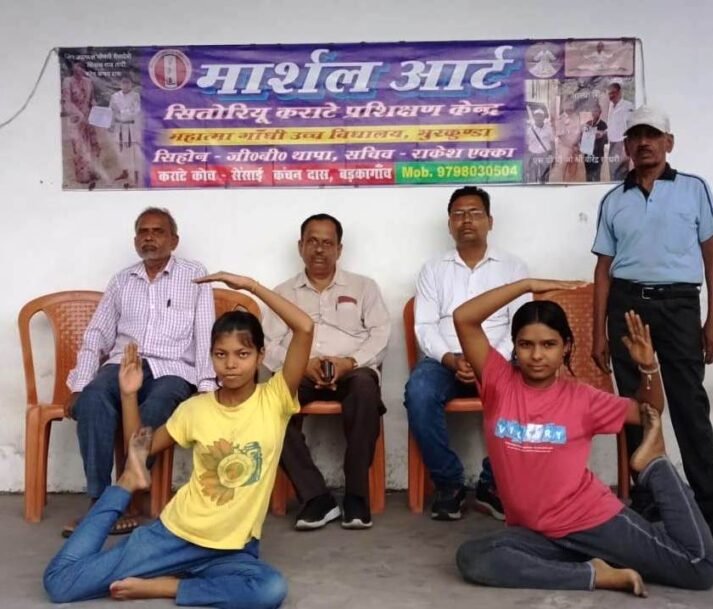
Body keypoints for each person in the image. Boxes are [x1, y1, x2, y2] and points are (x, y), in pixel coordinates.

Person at [43, 270, 315, 609]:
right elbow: (139, 452)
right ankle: (120, 495)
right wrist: (129, 395)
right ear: (211, 357)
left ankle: (167, 586)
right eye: (221, 355)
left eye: (242, 354)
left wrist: (251, 286)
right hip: (172, 537)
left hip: (232, 551)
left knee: (270, 589)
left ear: (261, 356)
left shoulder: (274, 399)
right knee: (60, 583)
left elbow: (304, 328)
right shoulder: (195, 409)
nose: (231, 365)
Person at [453, 279, 713, 596]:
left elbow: (648, 412)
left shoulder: (582, 399)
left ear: (566, 346)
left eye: (548, 344)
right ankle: (596, 574)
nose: (536, 355)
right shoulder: (499, 383)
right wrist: (527, 285)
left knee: (699, 566)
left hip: (592, 521)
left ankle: (656, 464)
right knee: (474, 557)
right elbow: (464, 318)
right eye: (526, 345)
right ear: (514, 346)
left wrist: (648, 366)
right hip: (538, 533)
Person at [591, 105, 713, 544]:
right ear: (626, 145)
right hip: (626, 306)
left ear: (668, 142)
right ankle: (648, 501)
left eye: (653, 135)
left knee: (689, 404)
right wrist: (599, 332)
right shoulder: (613, 200)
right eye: (636, 136)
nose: (644, 143)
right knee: (637, 407)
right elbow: (603, 270)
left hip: (678, 305)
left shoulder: (694, 189)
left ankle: (711, 509)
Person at [63, 207, 216, 538]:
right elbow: (97, 334)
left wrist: (207, 386)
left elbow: (206, 332)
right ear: (135, 241)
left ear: (174, 240)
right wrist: (80, 383)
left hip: (173, 369)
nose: (149, 237)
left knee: (155, 408)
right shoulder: (122, 280)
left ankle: (124, 496)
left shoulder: (195, 275)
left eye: (158, 231)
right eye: (143, 232)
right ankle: (100, 501)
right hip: (123, 363)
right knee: (92, 399)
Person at [404, 186, 529, 521]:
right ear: (450, 225)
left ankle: (491, 484)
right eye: (458, 215)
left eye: (475, 213)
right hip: (445, 361)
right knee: (418, 392)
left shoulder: (513, 268)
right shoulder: (433, 269)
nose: (467, 220)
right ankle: (449, 485)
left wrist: (487, 361)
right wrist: (450, 358)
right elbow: (424, 326)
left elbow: (520, 327)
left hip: (496, 359)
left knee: (525, 392)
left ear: (490, 221)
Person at [263, 213, 390, 531]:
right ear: (300, 246)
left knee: (365, 391)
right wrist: (300, 365)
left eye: (327, 243)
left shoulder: (364, 287)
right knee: (270, 405)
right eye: (312, 242)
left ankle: (356, 496)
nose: (319, 249)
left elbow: (380, 334)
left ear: (339, 249)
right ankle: (316, 498)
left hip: (352, 370)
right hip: (301, 370)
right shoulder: (283, 292)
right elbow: (267, 344)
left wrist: (350, 361)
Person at [61, 61, 100, 186]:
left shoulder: (88, 82)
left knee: (92, 144)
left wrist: (95, 106)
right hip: (76, 118)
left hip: (88, 117)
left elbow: (92, 99)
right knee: (79, 146)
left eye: (82, 68)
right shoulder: (67, 81)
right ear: (73, 68)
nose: (79, 70)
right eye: (77, 67)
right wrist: (78, 114)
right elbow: (66, 101)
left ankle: (92, 171)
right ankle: (82, 174)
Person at [109, 75, 141, 187]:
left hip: (131, 127)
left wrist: (122, 112)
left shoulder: (135, 96)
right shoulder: (114, 96)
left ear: (131, 84)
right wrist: (111, 124)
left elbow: (136, 111)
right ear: (120, 84)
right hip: (119, 127)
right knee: (121, 151)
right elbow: (111, 111)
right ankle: (124, 172)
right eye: (123, 83)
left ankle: (136, 175)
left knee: (133, 152)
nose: (126, 85)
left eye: (128, 83)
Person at [604, 82, 634, 181]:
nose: (611, 96)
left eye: (613, 93)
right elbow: (612, 125)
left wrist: (625, 146)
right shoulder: (611, 107)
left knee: (621, 172)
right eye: (609, 93)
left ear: (620, 92)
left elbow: (629, 127)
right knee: (613, 172)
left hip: (622, 143)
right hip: (612, 143)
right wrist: (603, 133)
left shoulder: (627, 106)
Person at [525, 109, 554, 184]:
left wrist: (553, 155)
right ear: (534, 117)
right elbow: (526, 145)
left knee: (544, 177)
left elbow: (552, 142)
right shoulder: (529, 130)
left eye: (540, 116)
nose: (538, 118)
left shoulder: (549, 129)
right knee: (532, 177)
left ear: (543, 117)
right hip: (533, 154)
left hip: (545, 154)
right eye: (537, 116)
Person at [583, 106, 609, 182]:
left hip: (598, 153)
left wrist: (598, 135)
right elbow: (584, 138)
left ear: (600, 113)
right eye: (593, 111)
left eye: (596, 111)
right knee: (588, 175)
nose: (594, 113)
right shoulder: (588, 123)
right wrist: (594, 135)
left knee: (596, 175)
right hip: (588, 153)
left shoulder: (603, 125)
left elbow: (606, 140)